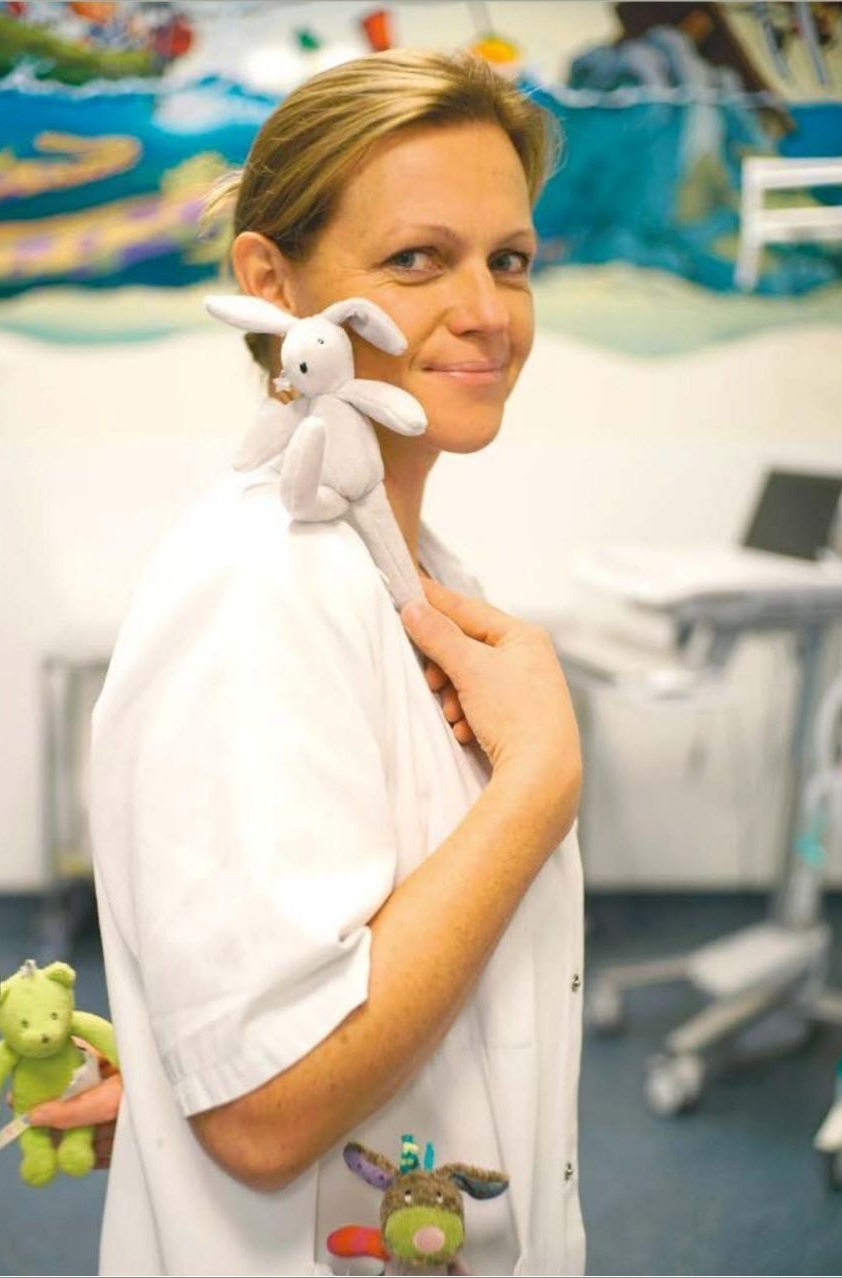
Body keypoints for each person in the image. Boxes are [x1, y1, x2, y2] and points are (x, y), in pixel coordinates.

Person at [83, 48, 586, 1277]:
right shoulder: (257, 587)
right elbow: (265, 1115)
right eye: (417, 259)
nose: (487, 311)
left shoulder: (419, 574)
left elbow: (318, 990)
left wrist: (186, 1054)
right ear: (271, 280)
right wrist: (539, 784)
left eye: (509, 260)